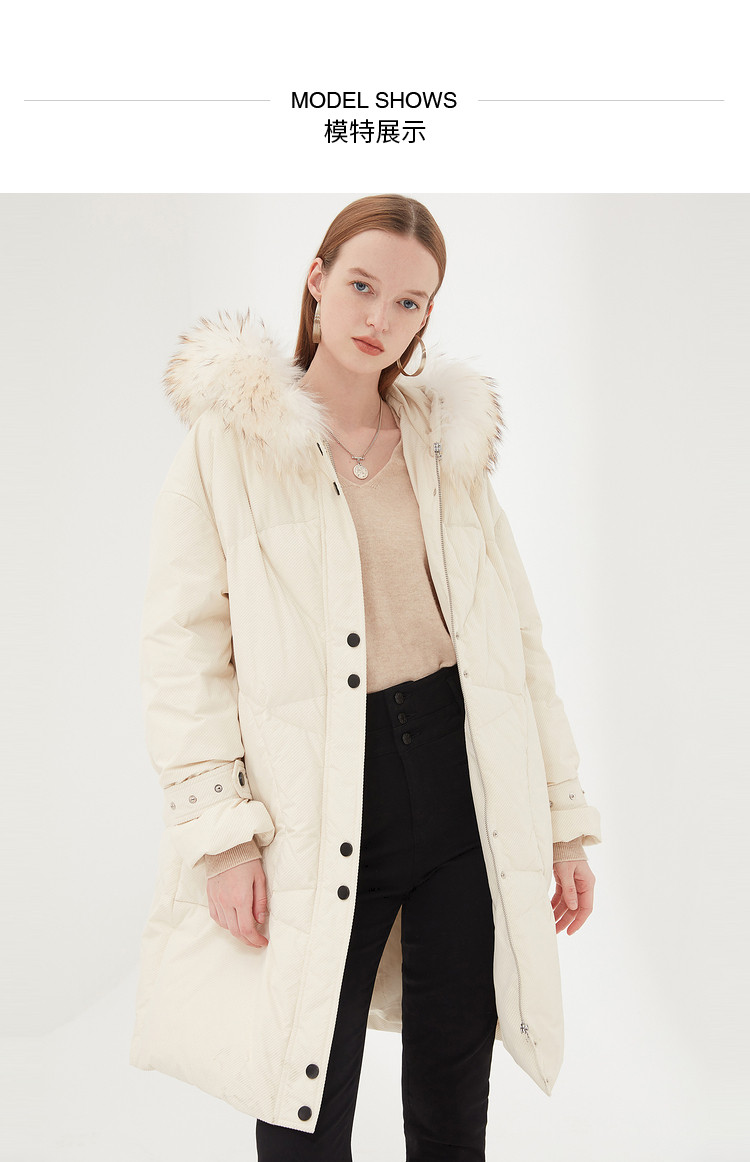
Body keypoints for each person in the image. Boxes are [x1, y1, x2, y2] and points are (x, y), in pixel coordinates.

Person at [129, 194, 602, 1161]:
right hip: (321, 793)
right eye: (361, 286)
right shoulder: (232, 442)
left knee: (452, 1094)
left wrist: (562, 821)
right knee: (304, 1084)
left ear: (428, 316)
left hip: (462, 786)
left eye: (409, 302)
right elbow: (183, 648)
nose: (380, 318)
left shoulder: (443, 445)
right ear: (317, 279)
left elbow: (518, 646)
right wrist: (222, 837)